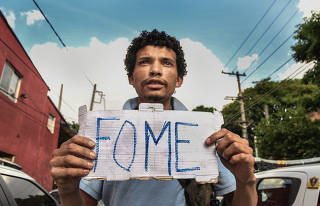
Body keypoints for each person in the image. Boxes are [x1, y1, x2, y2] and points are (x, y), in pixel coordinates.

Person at [50, 29, 257, 206]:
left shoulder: (206, 135)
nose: (156, 70)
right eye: (144, 62)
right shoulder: (103, 135)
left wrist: (246, 180)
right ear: (131, 77)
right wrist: (68, 190)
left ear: (179, 80)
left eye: (166, 63)